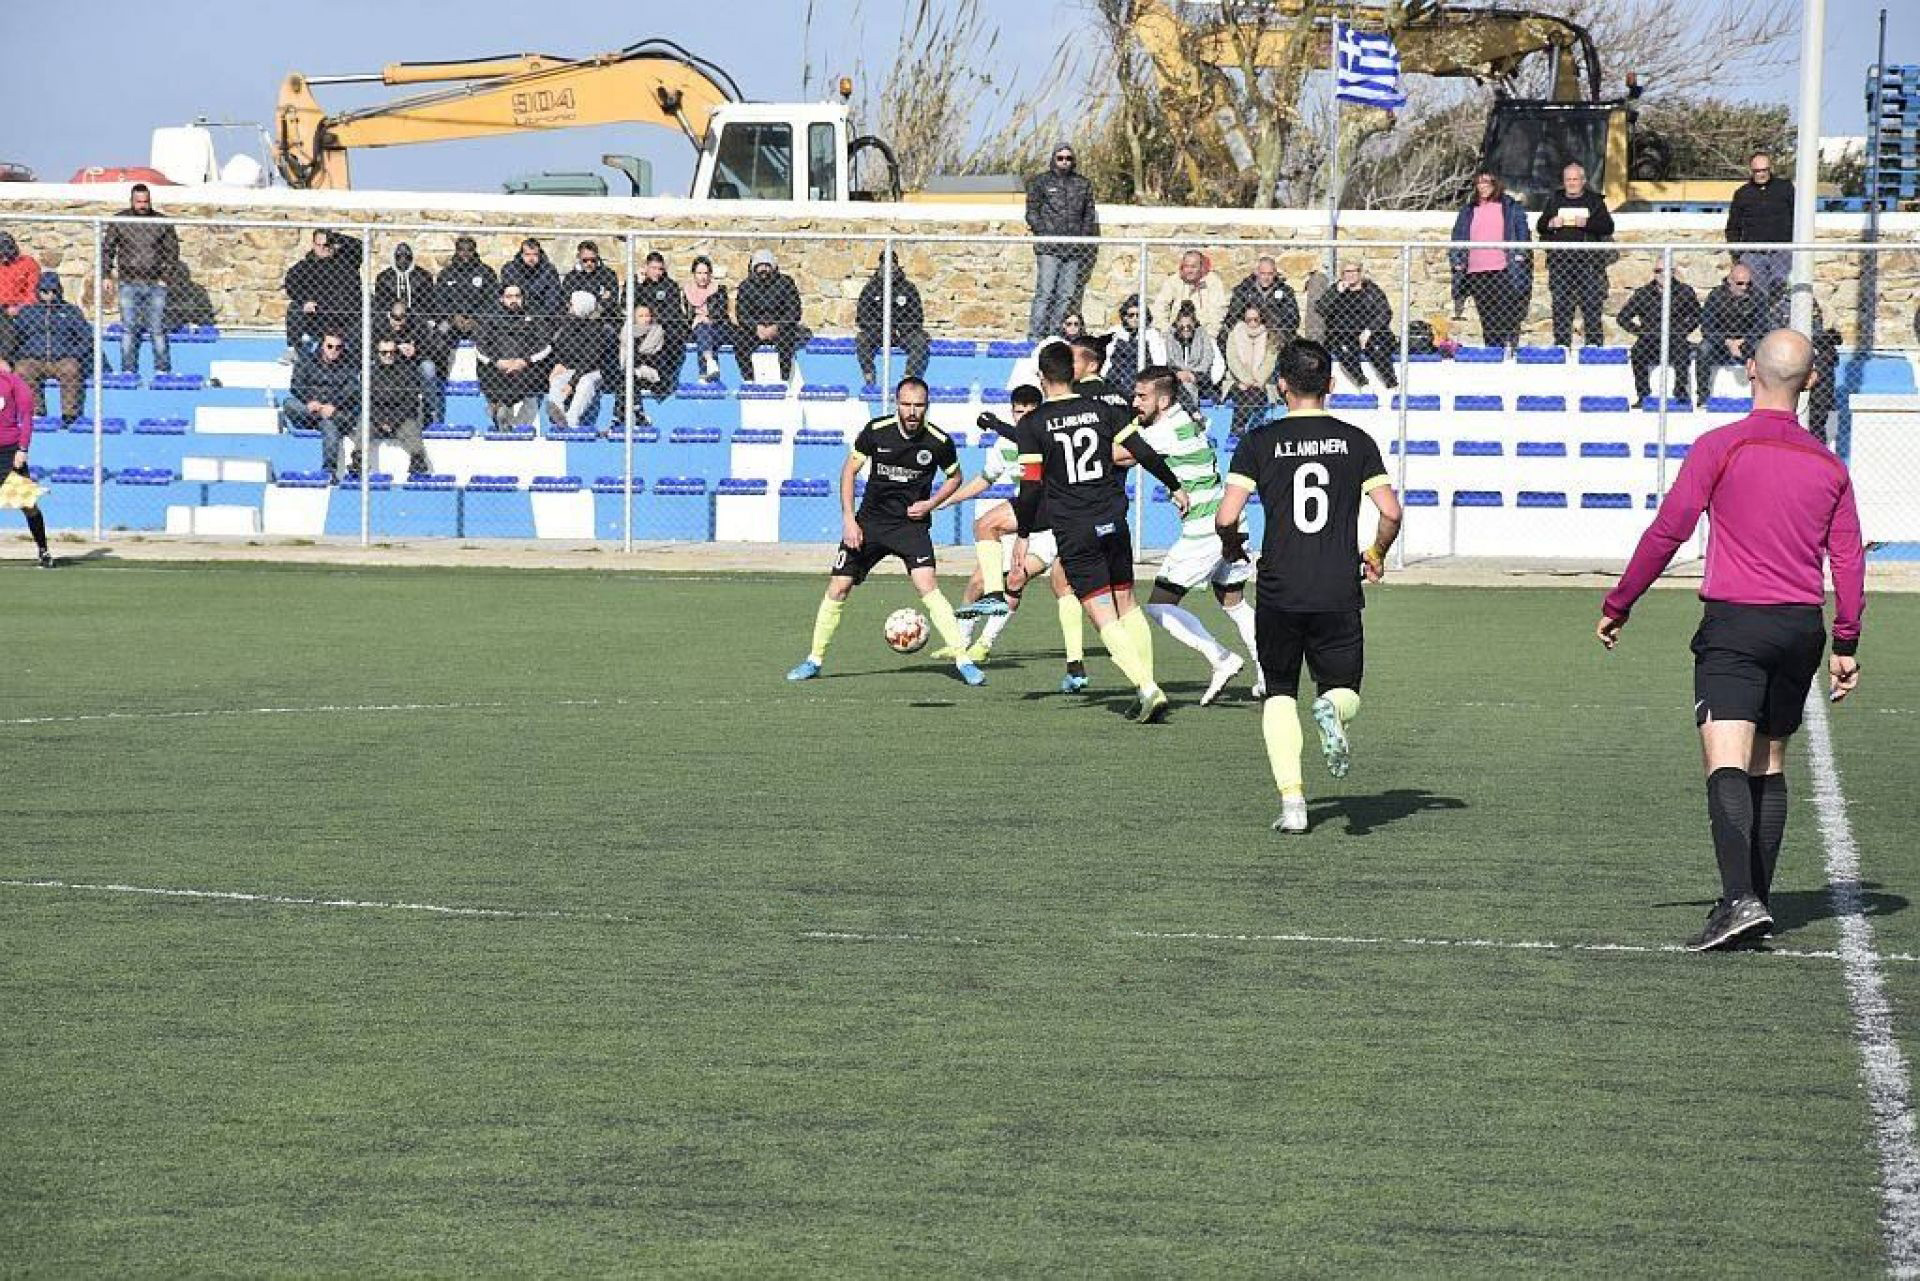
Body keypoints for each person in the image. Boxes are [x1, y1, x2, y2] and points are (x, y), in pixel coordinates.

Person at [1597, 329, 1864, 951]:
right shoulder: (1829, 465)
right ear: (1811, 382)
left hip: (1736, 625)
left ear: (1750, 371)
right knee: (1768, 763)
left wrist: (1619, 603)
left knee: (1726, 760)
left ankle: (1740, 899)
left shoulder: (1721, 445)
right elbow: (1848, 558)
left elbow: (1669, 531)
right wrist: (1846, 640)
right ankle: (1753, 902)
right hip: (1800, 628)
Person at [1214, 339, 1403, 834]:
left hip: (1280, 587)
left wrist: (1233, 548)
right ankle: (1332, 709)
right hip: (1337, 587)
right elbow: (1391, 511)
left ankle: (1294, 805)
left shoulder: (1258, 441)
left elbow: (1226, 517)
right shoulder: (1356, 441)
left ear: (1281, 385)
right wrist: (1376, 553)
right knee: (1344, 690)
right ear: (1331, 385)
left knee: (1279, 693)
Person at [1007, 341, 1191, 723]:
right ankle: (1147, 685)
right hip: (1112, 518)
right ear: (1072, 373)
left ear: (1042, 377)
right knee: (1127, 602)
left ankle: (1147, 687)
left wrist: (1023, 536)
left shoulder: (1033, 424)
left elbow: (1031, 488)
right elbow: (1142, 451)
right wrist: (1174, 485)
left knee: (1100, 610)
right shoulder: (1103, 410)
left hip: (1075, 527)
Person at [786, 377, 984, 687]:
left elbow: (955, 477)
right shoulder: (877, 431)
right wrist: (849, 519)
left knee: (928, 585)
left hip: (910, 526)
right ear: (896, 404)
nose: (912, 411)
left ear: (927, 406)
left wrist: (930, 503)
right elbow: (849, 471)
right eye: (906, 405)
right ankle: (814, 659)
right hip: (870, 523)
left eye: (918, 405)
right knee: (838, 586)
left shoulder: (939, 441)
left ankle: (963, 659)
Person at [1131, 365, 1261, 705]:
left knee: (1159, 605)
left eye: (1142, 397)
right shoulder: (1181, 419)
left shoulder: (1165, 430)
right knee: (1234, 602)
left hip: (1206, 529)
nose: (1135, 402)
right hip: (1232, 520)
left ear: (1162, 401)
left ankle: (1221, 658)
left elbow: (1120, 454)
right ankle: (1268, 676)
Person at [947, 385, 1092, 692]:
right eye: (1018, 412)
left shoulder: (1050, 436)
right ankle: (960, 644)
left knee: (1020, 577)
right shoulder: (1005, 445)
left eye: (1030, 412)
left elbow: (1027, 440)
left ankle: (985, 643)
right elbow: (985, 479)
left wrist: (996, 424)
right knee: (976, 581)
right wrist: (945, 500)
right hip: (1027, 517)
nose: (1024, 418)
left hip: (1051, 525)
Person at [101, 183, 179, 376]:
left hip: (156, 283)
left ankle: (162, 370)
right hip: (128, 282)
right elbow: (107, 250)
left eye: (146, 201)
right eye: (139, 201)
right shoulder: (120, 221)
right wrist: (106, 275)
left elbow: (172, 252)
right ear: (132, 201)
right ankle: (128, 371)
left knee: (157, 329)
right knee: (129, 328)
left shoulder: (161, 222)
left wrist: (166, 277)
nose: (142, 205)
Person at [1449, 171, 1532, 350]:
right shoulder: (1468, 210)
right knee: (1487, 317)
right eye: (1479, 183)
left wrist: (1521, 254)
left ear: (1495, 184)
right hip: (1476, 271)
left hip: (1503, 269)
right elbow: (1457, 237)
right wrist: (1457, 261)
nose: (1483, 186)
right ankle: (1493, 352)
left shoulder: (1510, 206)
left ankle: (1508, 350)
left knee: (1506, 315)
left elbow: (1523, 233)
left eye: (1486, 182)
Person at [1537, 162, 1615, 349]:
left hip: (1588, 263)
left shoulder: (1595, 201)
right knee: (1561, 306)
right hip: (1560, 263)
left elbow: (1608, 227)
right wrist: (1551, 223)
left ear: (1583, 181)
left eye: (1575, 179)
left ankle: (1593, 348)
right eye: (1568, 179)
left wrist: (1588, 223)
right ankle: (1562, 347)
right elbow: (1541, 226)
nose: (1571, 183)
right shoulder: (1554, 200)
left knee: (1592, 306)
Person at [1025, 142, 1098, 341]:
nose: (1064, 161)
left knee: (1066, 295)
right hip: (1048, 249)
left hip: (1073, 250)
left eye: (1068, 158)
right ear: (1053, 159)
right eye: (1060, 158)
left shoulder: (1083, 184)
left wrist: (1082, 239)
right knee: (1045, 293)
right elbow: (1031, 212)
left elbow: (1089, 214)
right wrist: (1044, 233)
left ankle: (1055, 336)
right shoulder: (1040, 182)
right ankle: (1035, 336)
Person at [9, 274, 94, 424]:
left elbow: (86, 338)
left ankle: (69, 414)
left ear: (59, 291)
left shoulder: (71, 311)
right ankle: (36, 411)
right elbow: (14, 338)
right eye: (45, 291)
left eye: (54, 291)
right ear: (38, 291)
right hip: (34, 359)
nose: (49, 295)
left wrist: (73, 354)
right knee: (22, 369)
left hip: (62, 359)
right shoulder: (28, 312)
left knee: (71, 368)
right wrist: (21, 355)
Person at [277, 331, 361, 480]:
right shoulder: (307, 360)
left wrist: (333, 405)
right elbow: (296, 386)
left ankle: (328, 472)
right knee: (289, 403)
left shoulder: (348, 365)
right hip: (308, 412)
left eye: (338, 347)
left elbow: (353, 390)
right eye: (330, 346)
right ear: (322, 345)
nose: (334, 350)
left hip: (330, 415)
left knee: (331, 428)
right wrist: (309, 401)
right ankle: (330, 416)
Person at [1617, 264, 1702, 409]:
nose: (1662, 274)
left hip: (1675, 337)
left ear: (1673, 272)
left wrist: (1683, 331)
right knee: (1637, 352)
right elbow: (1623, 317)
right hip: (1650, 339)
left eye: (1666, 270)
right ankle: (1643, 395)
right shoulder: (1643, 293)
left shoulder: (1685, 292)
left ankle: (1680, 391)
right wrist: (1641, 332)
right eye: (1657, 271)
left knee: (1682, 351)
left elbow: (1697, 315)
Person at [475, 283, 553, 429]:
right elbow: (480, 346)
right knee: (487, 373)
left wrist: (524, 361)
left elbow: (546, 345)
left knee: (534, 377)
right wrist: (497, 361)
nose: (514, 300)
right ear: (501, 299)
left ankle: (504, 415)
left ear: (523, 298)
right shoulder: (490, 317)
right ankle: (501, 412)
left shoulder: (535, 315)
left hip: (526, 367)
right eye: (509, 296)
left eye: (517, 296)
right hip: (497, 367)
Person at [0, 357, 53, 567]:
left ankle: (43, 550)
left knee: (27, 504)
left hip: (9, 451)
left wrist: (22, 449)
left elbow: (27, 417)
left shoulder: (14, 382)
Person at [1316, 262, 1398, 389]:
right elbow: (1321, 308)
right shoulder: (1335, 290)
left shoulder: (1371, 290)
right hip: (1343, 335)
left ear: (1360, 273)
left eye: (1354, 271)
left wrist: (1369, 330)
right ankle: (1363, 384)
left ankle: (1392, 384)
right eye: (1347, 272)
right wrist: (1336, 293)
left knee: (1377, 349)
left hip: (1371, 333)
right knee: (1344, 350)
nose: (1351, 275)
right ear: (1342, 274)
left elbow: (1385, 312)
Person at [282, 229, 362, 358]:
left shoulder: (348, 262)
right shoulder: (304, 267)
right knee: (294, 308)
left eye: (326, 244)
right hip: (318, 317)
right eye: (318, 245)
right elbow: (291, 284)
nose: (322, 248)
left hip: (346, 318)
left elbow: (359, 246)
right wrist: (304, 301)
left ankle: (357, 356)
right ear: (313, 245)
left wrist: (335, 237)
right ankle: (293, 350)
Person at [732, 249, 809, 382]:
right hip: (755, 330)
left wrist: (777, 327)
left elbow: (794, 310)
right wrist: (756, 328)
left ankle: (784, 380)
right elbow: (742, 313)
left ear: (773, 267)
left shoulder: (786, 283)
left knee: (787, 342)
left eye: (767, 265)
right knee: (739, 342)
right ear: (754, 267)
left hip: (781, 329)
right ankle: (749, 380)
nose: (764, 269)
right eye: (760, 266)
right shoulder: (746, 286)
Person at [1726, 151, 1794, 299]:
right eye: (1757, 171)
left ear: (1770, 169)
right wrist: (1736, 254)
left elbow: (1797, 216)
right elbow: (1733, 226)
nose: (1761, 174)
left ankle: (1779, 314)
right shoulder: (1742, 194)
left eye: (1764, 170)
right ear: (1751, 170)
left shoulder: (1785, 189)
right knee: (1758, 295)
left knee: (1781, 291)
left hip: (1782, 252)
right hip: (1753, 254)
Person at [856, 253, 930, 388]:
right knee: (862, 339)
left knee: (920, 341)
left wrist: (900, 329)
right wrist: (880, 329)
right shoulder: (871, 288)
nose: (889, 267)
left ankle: (908, 379)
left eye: (892, 263)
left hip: (903, 334)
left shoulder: (908, 288)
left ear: (896, 265)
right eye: (885, 263)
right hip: (877, 333)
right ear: (880, 265)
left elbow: (917, 316)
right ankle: (869, 377)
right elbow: (862, 317)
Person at [1696, 264, 1764, 404]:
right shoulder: (1716, 296)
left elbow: (1762, 325)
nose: (1744, 287)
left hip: (1746, 342)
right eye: (1740, 283)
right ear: (1729, 281)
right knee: (1703, 349)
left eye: (1748, 283)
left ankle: (1760, 395)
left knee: (1763, 349)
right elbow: (1707, 327)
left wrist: (1741, 341)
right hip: (1720, 342)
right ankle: (1703, 395)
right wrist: (1728, 342)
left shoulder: (1757, 295)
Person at [365, 336, 431, 477]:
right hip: (377, 419)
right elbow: (367, 402)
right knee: (363, 425)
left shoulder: (407, 372)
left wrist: (392, 421)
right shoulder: (370, 373)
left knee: (411, 427)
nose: (388, 355)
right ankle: (358, 459)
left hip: (400, 418)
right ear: (378, 354)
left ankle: (417, 460)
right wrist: (381, 420)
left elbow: (410, 402)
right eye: (384, 352)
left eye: (392, 352)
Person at [548, 291, 613, 429]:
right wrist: (560, 364)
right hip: (573, 369)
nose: (568, 307)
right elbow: (561, 349)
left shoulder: (598, 328)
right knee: (557, 380)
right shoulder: (568, 325)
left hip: (594, 371)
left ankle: (571, 420)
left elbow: (590, 361)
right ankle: (559, 417)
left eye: (572, 304)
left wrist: (571, 384)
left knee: (585, 382)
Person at [379, 301, 449, 428]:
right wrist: (395, 348)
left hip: (414, 364)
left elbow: (432, 349)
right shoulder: (380, 325)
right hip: (391, 365)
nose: (398, 323)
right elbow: (374, 347)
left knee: (428, 367)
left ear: (407, 316)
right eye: (395, 318)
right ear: (389, 315)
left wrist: (416, 350)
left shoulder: (417, 325)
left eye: (402, 319)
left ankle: (431, 410)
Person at [1223, 302, 1279, 437]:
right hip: (1237, 381)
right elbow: (1232, 360)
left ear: (1261, 319)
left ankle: (1237, 429)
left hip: (1262, 384)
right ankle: (1240, 429)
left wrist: (1257, 380)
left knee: (1253, 393)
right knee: (1243, 393)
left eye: (1256, 320)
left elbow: (1269, 363)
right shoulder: (1234, 335)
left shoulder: (1270, 336)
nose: (1252, 323)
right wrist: (1246, 380)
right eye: (1248, 320)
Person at [1223, 255, 1300, 347]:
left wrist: (1270, 324)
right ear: (1256, 272)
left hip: (1274, 334)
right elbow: (1233, 316)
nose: (1266, 277)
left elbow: (1292, 319)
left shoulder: (1285, 291)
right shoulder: (1244, 289)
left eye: (1270, 274)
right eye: (1263, 273)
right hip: (1248, 333)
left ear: (1275, 273)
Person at [1151, 250, 1228, 338]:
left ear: (1201, 267)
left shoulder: (1212, 281)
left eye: (1193, 267)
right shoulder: (1173, 281)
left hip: (1205, 332)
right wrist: (1166, 331)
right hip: (1176, 332)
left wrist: (1210, 334)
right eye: (1186, 266)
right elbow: (1160, 307)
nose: (1189, 270)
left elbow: (1219, 310)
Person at [1165, 301, 1224, 413]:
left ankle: (1191, 414)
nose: (1185, 329)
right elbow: (1169, 360)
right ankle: (1193, 413)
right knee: (1183, 386)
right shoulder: (1170, 336)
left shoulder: (1202, 335)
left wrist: (1193, 375)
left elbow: (1207, 360)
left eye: (1189, 326)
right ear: (1177, 324)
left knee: (1190, 386)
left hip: (1200, 376)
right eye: (1182, 327)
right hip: (1177, 375)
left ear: (1194, 324)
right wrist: (1179, 373)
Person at [433, 236, 498, 339]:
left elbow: (492, 300)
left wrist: (476, 318)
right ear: (456, 251)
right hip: (451, 319)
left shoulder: (486, 272)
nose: (465, 253)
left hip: (479, 320)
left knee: (490, 332)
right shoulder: (446, 273)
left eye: (470, 250)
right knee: (439, 332)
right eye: (461, 249)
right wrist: (453, 316)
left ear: (475, 251)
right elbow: (439, 300)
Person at [633, 251, 687, 368]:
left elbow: (672, 310)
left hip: (663, 325)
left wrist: (652, 319)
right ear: (646, 267)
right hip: (639, 324)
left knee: (672, 334)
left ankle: (660, 372)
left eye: (660, 269)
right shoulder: (635, 283)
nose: (657, 272)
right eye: (654, 268)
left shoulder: (670, 285)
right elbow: (627, 305)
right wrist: (639, 284)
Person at [682, 255, 729, 383]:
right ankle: (710, 364)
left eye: (705, 273)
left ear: (710, 274)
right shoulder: (687, 291)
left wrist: (706, 318)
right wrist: (696, 320)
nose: (703, 277)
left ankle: (706, 368)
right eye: (699, 273)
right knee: (702, 329)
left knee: (703, 329)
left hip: (716, 327)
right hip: (694, 329)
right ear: (693, 274)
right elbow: (687, 317)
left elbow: (721, 313)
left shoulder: (719, 290)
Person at [1102, 295, 1166, 382]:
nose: (1135, 318)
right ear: (1125, 317)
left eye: (1138, 315)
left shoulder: (1152, 334)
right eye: (1131, 315)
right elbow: (1107, 358)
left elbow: (1158, 360)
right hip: (1116, 377)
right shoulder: (1115, 332)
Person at [0, 234, 41, 360]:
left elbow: (33, 292)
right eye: (1, 256)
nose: (4, 259)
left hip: (21, 308)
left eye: (8, 255)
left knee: (9, 333)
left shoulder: (28, 263)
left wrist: (19, 307)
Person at [500, 238, 563, 319]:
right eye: (527, 254)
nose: (531, 258)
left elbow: (553, 296)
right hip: (515, 313)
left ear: (539, 255)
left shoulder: (548, 270)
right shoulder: (510, 269)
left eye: (535, 254)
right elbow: (507, 296)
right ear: (521, 255)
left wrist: (539, 316)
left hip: (543, 314)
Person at [371, 242, 436, 319]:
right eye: (399, 256)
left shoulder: (424, 276)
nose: (403, 259)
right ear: (394, 257)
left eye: (407, 256)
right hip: (391, 319)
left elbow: (428, 303)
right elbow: (380, 304)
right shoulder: (384, 277)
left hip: (417, 318)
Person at [560, 240, 623, 319]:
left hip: (602, 317)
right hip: (576, 318)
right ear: (579, 257)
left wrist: (596, 310)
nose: (589, 263)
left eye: (593, 260)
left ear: (597, 257)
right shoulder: (571, 277)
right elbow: (565, 299)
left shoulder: (608, 274)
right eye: (585, 260)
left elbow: (611, 299)